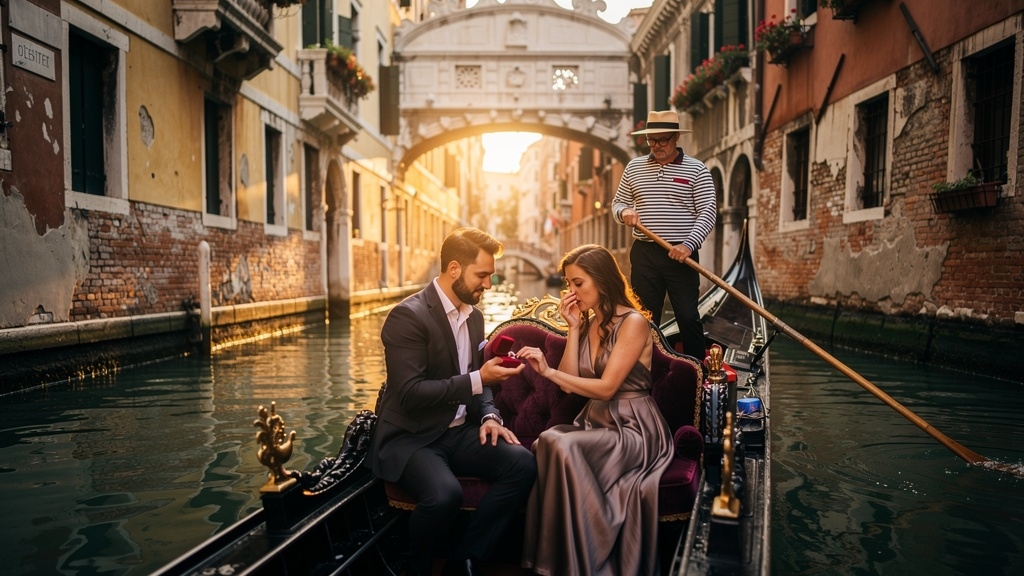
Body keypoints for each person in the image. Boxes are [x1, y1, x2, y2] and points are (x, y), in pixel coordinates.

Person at [366, 227, 537, 576]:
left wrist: (490, 416)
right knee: (445, 496)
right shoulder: (407, 316)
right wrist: (479, 380)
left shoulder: (474, 317)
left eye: (491, 275)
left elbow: (479, 381)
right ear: (455, 269)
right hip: (412, 437)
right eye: (482, 275)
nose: (488, 285)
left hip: (458, 431)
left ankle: (465, 561)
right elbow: (410, 393)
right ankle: (414, 567)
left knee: (522, 465)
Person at [517, 244, 674, 576]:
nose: (571, 292)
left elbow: (607, 388)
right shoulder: (590, 325)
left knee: (561, 443)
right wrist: (573, 327)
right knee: (548, 440)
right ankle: (564, 561)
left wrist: (546, 370)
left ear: (601, 280)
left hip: (634, 430)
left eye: (579, 283)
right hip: (597, 423)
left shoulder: (633, 323)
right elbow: (570, 382)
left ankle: (583, 561)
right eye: (569, 284)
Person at [612, 109, 717, 358]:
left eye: (663, 140)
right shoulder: (634, 167)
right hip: (644, 253)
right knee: (643, 318)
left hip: (681, 254)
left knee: (687, 316)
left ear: (676, 137)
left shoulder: (697, 170)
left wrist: (689, 245)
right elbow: (617, 203)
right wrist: (625, 211)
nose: (656, 146)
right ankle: (643, 373)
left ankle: (696, 374)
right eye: (652, 140)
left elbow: (708, 211)